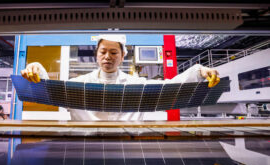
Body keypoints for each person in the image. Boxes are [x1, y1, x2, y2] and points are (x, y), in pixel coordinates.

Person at [20, 34, 220, 121]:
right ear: (96, 55)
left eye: (114, 52)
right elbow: (47, 90)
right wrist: (36, 68)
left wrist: (198, 71)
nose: (108, 57)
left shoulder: (137, 85)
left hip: (129, 146)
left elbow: (172, 87)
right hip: (83, 148)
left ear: (123, 56)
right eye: (103, 52)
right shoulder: (78, 85)